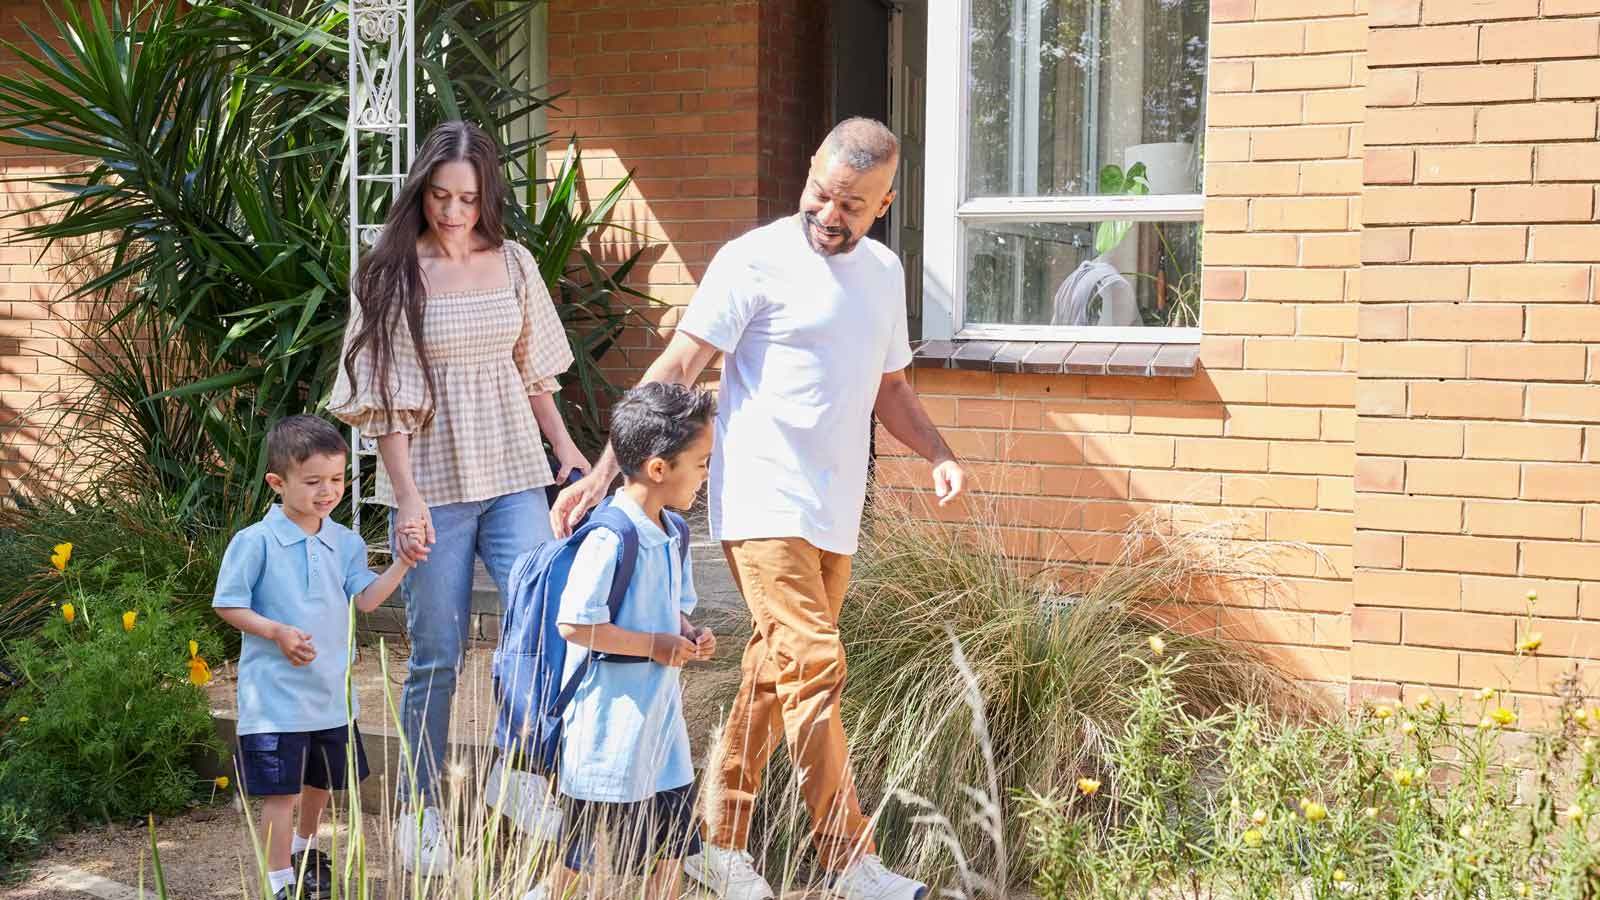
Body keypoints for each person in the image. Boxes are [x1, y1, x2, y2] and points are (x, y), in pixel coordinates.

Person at [551, 117, 968, 900]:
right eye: (821, 191)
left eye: (852, 203)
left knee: (776, 677)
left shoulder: (883, 272)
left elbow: (892, 390)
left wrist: (940, 452)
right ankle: (850, 863)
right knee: (814, 664)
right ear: (809, 168)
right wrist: (605, 471)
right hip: (761, 500)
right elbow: (679, 367)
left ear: (883, 202)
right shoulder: (753, 259)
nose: (829, 213)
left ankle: (719, 839)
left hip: (836, 509)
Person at [329, 121, 589, 873]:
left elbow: (534, 373)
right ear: (421, 192)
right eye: (440, 197)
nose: (452, 212)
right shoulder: (390, 275)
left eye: (467, 200)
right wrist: (406, 500)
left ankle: (517, 773)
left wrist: (568, 453)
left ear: (487, 198)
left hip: (513, 473)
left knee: (544, 621)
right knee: (437, 654)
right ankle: (421, 807)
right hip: (434, 486)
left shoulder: (512, 263)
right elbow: (384, 401)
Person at [213, 415, 422, 900]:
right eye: (312, 482)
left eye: (335, 480)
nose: (326, 491)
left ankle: (306, 850)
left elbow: (366, 599)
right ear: (277, 482)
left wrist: (403, 564)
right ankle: (279, 881)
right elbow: (227, 603)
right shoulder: (255, 542)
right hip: (275, 700)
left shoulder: (345, 541)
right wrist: (276, 631)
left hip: (331, 697)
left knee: (323, 784)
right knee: (281, 794)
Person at [525, 382, 719, 900]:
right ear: (659, 468)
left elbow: (675, 608)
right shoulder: (610, 536)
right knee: (587, 857)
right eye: (701, 462)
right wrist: (655, 645)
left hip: (661, 731)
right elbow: (575, 623)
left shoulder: (674, 532)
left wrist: (688, 634)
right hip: (608, 732)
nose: (706, 473)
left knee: (676, 843)